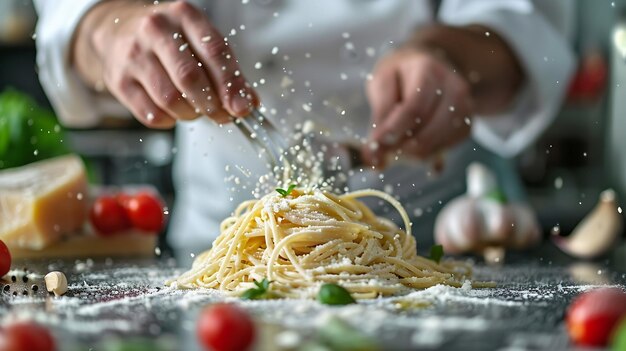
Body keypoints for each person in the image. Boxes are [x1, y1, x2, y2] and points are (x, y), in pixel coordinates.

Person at [34, 0, 574, 255]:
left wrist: (451, 58)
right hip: (215, 248)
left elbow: (526, 26)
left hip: (429, 240)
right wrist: (111, 28)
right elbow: (74, 21)